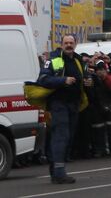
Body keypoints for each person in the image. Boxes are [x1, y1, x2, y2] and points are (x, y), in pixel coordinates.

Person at [37, 34, 87, 184]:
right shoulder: (53, 60)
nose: (69, 45)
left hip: (74, 104)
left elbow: (83, 77)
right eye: (66, 43)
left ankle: (56, 170)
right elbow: (43, 79)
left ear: (75, 44)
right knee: (61, 137)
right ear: (61, 44)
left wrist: (88, 81)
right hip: (59, 104)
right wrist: (63, 80)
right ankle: (59, 173)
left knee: (67, 138)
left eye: (71, 42)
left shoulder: (78, 60)